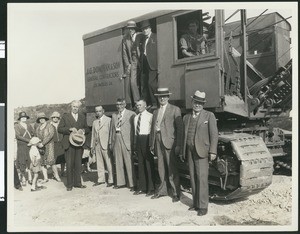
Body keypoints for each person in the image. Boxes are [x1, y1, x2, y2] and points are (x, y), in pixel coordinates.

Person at [179, 90, 218, 216]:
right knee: (193, 177)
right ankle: (195, 203)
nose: (197, 105)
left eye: (200, 103)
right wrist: (182, 150)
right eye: (196, 102)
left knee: (201, 178)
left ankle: (203, 206)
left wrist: (213, 151)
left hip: (202, 151)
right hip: (190, 151)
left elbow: (214, 135)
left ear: (203, 104)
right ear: (192, 102)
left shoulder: (209, 116)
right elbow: (183, 135)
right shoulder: (186, 117)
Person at [149, 88, 183, 202]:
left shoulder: (175, 109)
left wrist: (178, 145)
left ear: (168, 97)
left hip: (169, 142)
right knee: (160, 166)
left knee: (171, 167)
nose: (162, 98)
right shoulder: (155, 111)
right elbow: (153, 128)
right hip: (158, 140)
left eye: (164, 96)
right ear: (158, 98)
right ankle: (162, 190)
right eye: (160, 97)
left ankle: (175, 193)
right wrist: (152, 144)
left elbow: (180, 129)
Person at [58, 100, 90, 191]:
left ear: (79, 108)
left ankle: (78, 183)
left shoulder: (82, 116)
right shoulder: (65, 116)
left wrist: (83, 131)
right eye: (74, 106)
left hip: (79, 143)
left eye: (77, 107)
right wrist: (69, 129)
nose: (75, 108)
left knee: (78, 164)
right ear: (71, 107)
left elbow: (87, 129)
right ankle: (69, 185)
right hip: (68, 144)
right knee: (69, 164)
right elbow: (59, 129)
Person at [109, 98, 136, 191]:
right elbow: (111, 130)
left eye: (121, 104)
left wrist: (133, 142)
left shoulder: (131, 114)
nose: (119, 106)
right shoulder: (114, 115)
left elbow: (134, 129)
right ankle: (121, 182)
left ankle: (132, 184)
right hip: (116, 138)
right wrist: (111, 142)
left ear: (125, 105)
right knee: (118, 160)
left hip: (126, 140)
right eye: (117, 105)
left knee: (128, 162)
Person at [133, 99, 155, 196]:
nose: (138, 107)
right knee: (140, 164)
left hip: (147, 139)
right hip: (138, 139)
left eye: (140, 105)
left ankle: (151, 188)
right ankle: (142, 187)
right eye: (137, 105)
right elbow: (135, 132)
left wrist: (151, 144)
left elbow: (152, 131)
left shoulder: (150, 116)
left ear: (145, 106)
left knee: (148, 164)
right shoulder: (136, 117)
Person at [91, 105, 113, 187]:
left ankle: (111, 180)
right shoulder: (95, 122)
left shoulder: (109, 120)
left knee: (108, 162)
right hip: (97, 145)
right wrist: (92, 146)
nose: (98, 112)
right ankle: (101, 179)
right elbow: (93, 135)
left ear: (103, 111)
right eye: (96, 111)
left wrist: (110, 143)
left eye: (99, 111)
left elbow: (111, 133)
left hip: (106, 144)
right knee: (99, 163)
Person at [35, 112, 60, 183]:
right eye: (40, 119)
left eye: (42, 118)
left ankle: (56, 176)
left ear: (45, 119)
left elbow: (50, 135)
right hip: (40, 147)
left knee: (52, 162)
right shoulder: (37, 128)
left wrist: (43, 143)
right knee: (43, 162)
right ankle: (45, 178)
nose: (41, 120)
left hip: (49, 146)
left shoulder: (50, 126)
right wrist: (38, 143)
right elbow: (36, 136)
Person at [122, 20, 142, 107]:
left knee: (143, 81)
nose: (131, 30)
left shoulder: (140, 36)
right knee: (133, 82)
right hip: (133, 61)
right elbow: (124, 53)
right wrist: (128, 64)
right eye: (129, 29)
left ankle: (144, 101)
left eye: (132, 29)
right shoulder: (125, 39)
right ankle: (137, 102)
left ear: (135, 29)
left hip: (142, 60)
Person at [139, 20, 158, 108]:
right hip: (145, 64)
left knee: (151, 83)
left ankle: (155, 103)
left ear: (150, 28)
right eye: (143, 29)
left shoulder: (156, 37)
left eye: (146, 29)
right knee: (145, 84)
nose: (145, 31)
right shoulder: (143, 39)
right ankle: (149, 103)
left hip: (153, 64)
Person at [14, 111, 34, 186]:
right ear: (20, 118)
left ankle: (30, 178)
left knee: (29, 162)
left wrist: (33, 139)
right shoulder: (17, 126)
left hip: (29, 146)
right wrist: (29, 140)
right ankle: (23, 179)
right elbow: (18, 136)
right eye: (22, 117)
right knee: (22, 162)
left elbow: (33, 133)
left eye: (25, 117)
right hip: (22, 146)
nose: (24, 118)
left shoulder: (29, 125)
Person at [50, 111, 66, 177]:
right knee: (54, 159)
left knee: (63, 158)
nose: (55, 118)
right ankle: (55, 174)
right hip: (53, 143)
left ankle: (62, 172)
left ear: (59, 118)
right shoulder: (50, 125)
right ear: (52, 118)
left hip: (61, 143)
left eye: (57, 117)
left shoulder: (61, 125)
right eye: (54, 117)